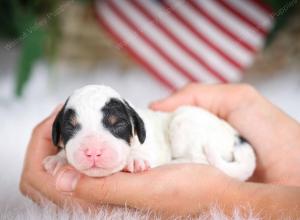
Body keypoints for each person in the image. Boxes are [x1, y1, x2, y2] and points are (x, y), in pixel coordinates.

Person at [20, 83, 300, 218]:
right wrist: (60, 158)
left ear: (136, 129)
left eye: (114, 127)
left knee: (183, 123)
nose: (92, 150)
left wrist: (224, 195)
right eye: (73, 129)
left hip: (223, 145)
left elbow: (151, 154)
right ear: (58, 133)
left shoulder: (147, 138)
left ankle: (202, 159)